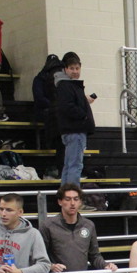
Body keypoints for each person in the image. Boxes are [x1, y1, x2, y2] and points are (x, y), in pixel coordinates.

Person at [55, 52, 95, 185]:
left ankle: (66, 193)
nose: (75, 71)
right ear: (65, 69)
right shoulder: (67, 85)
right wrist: (83, 115)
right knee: (75, 166)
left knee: (68, 165)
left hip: (70, 130)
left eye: (77, 68)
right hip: (75, 130)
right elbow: (67, 107)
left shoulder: (65, 85)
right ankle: (73, 194)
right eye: (72, 68)